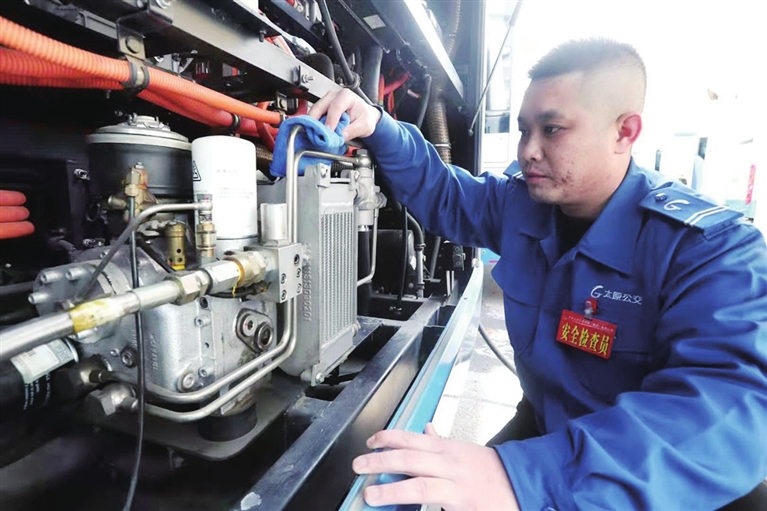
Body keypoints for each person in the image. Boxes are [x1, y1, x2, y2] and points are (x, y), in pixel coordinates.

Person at [309, 38, 767, 510]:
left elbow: (727, 413)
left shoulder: (710, 250)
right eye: (525, 130)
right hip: (550, 428)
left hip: (660, 481)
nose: (528, 150)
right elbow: (445, 193)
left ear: (624, 132)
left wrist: (528, 478)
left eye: (552, 129)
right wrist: (378, 126)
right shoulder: (523, 204)